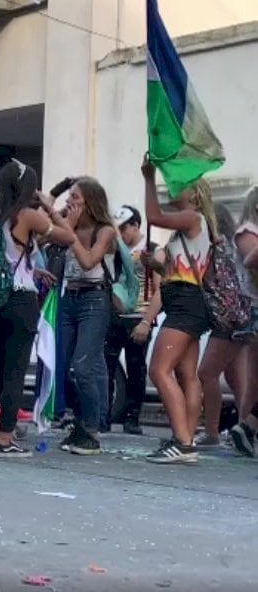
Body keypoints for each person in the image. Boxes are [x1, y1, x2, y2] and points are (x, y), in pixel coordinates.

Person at [0, 160, 76, 457]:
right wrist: (51, 207)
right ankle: (5, 439)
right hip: (20, 300)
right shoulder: (27, 215)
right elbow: (67, 236)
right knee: (15, 372)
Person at [141, 157, 215, 464]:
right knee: (187, 374)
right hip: (187, 300)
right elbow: (178, 270)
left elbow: (153, 215)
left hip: (185, 304)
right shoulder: (190, 228)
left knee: (159, 370)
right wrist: (156, 265)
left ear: (195, 193)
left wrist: (148, 178)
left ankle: (184, 443)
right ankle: (184, 437)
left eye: (179, 184)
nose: (173, 187)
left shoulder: (192, 218)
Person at [55, 177, 119, 455]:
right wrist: (58, 201)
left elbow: (89, 261)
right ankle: (79, 424)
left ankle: (92, 430)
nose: (71, 202)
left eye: (76, 198)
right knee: (65, 366)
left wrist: (68, 232)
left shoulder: (104, 231)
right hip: (69, 298)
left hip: (94, 299)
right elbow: (44, 224)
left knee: (84, 367)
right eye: (69, 196)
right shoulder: (68, 224)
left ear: (91, 202)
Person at [196, 203, 252, 448]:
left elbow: (225, 286)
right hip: (242, 315)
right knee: (238, 379)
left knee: (207, 372)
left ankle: (212, 432)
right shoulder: (230, 245)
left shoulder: (217, 248)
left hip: (229, 318)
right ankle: (245, 430)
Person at [103, 205, 162, 436]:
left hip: (139, 316)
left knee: (137, 368)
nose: (120, 233)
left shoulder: (153, 251)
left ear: (136, 226)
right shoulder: (115, 250)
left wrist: (147, 320)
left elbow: (159, 289)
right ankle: (103, 415)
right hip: (116, 316)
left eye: (123, 228)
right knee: (107, 367)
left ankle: (132, 417)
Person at [228, 187, 258, 457]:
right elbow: (251, 260)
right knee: (251, 376)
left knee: (253, 376)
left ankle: (246, 428)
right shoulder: (247, 231)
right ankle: (246, 426)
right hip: (254, 305)